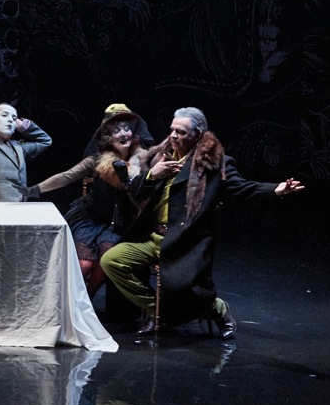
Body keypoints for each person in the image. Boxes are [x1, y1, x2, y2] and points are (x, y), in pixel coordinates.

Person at [100, 107, 303, 338]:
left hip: (185, 241)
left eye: (181, 132)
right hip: (154, 236)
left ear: (197, 135)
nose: (174, 136)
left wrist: (275, 190)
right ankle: (158, 312)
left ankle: (217, 308)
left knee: (180, 286)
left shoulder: (211, 164)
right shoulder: (159, 156)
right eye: (172, 130)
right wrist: (152, 175)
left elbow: (242, 188)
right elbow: (136, 192)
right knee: (112, 261)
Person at [28, 104, 151, 295]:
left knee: (106, 259)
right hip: (92, 217)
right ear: (108, 137)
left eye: (126, 128)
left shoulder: (143, 161)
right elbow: (67, 176)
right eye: (116, 130)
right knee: (85, 264)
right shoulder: (97, 159)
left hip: (122, 222)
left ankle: (88, 300)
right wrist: (35, 190)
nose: (123, 134)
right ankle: (72, 301)